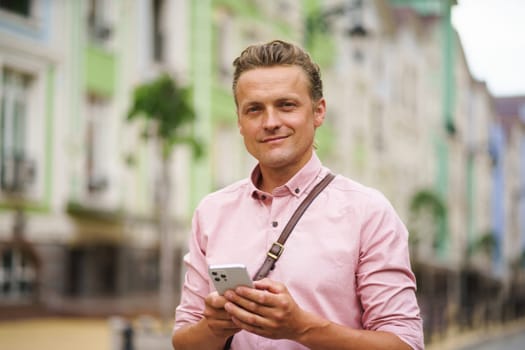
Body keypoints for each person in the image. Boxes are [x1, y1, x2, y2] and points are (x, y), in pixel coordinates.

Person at [172, 39, 424, 350]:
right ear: (240, 122)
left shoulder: (368, 212)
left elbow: (406, 344)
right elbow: (183, 340)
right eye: (254, 110)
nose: (270, 122)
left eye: (286, 105)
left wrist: (301, 328)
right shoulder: (211, 212)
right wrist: (214, 327)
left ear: (318, 112)